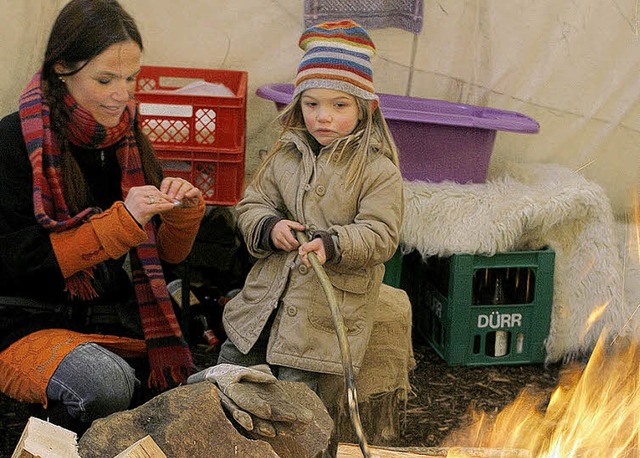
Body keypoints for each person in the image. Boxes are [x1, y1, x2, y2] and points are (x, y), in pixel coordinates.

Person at [0, 0, 205, 432]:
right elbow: (17, 262)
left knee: (194, 381)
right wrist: (118, 225)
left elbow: (165, 260)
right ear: (62, 69)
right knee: (105, 383)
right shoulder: (13, 140)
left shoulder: (127, 138)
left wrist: (183, 216)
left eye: (131, 78)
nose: (123, 94)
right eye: (105, 79)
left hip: (108, 318)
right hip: (22, 321)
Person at [213, 19, 404, 411]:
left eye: (339, 105)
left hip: (318, 325)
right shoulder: (285, 153)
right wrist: (269, 228)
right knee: (228, 384)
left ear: (366, 108)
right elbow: (252, 205)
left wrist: (334, 244)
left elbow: (382, 233)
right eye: (312, 103)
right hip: (261, 309)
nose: (323, 117)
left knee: (296, 409)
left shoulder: (376, 169)